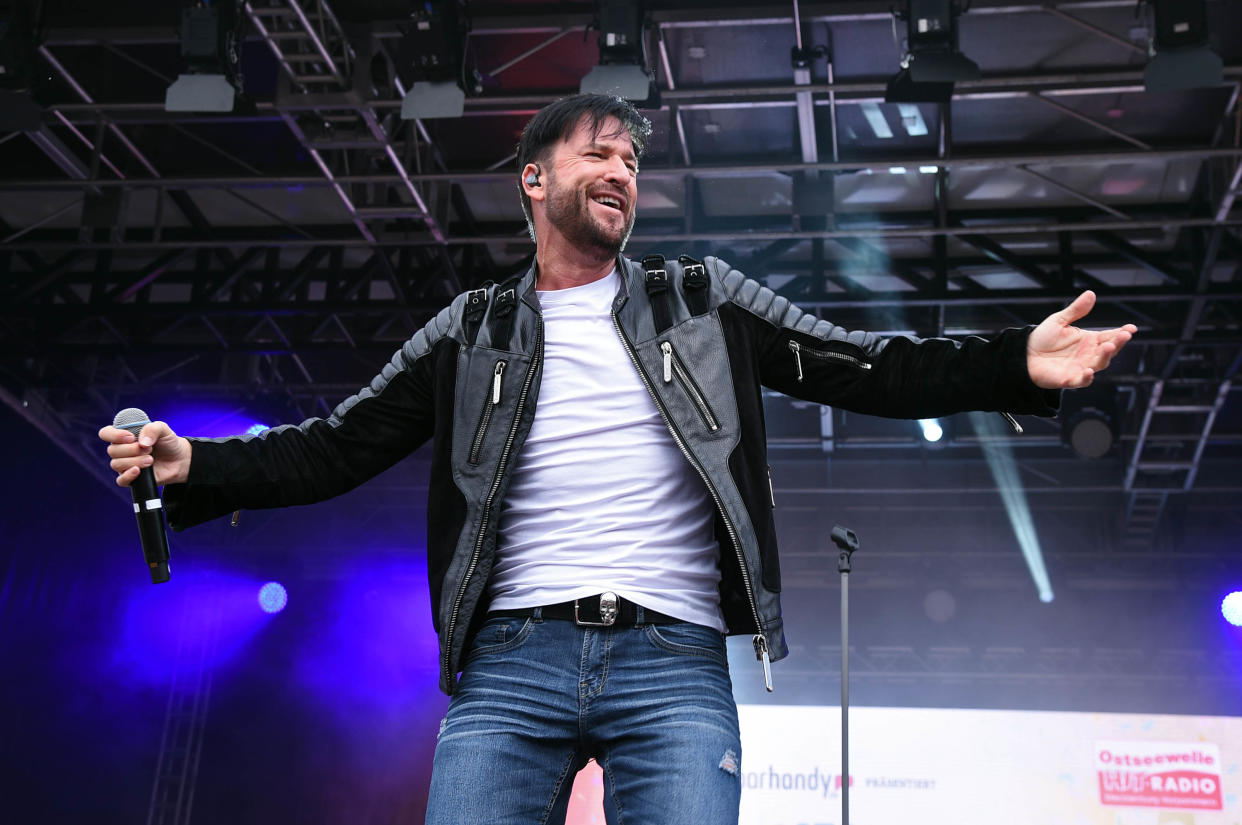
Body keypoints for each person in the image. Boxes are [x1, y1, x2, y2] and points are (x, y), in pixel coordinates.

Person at [99, 94, 1136, 824]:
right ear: (535, 177)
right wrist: (205, 469)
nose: (622, 174)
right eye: (600, 153)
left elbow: (864, 369)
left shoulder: (703, 300)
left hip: (673, 661)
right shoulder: (470, 331)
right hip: (511, 665)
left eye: (633, 163)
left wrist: (1014, 366)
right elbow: (339, 446)